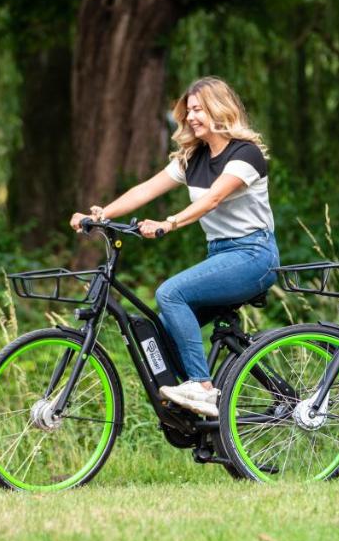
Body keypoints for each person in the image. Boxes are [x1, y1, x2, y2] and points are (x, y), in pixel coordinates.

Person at [70, 77, 279, 418]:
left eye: (199, 109)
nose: (191, 117)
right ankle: (197, 412)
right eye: (189, 110)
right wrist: (100, 215)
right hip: (220, 255)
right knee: (165, 328)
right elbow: (146, 189)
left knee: (170, 293)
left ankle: (203, 388)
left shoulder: (245, 154)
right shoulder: (192, 158)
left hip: (254, 255)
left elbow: (213, 199)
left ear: (219, 109)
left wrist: (170, 222)